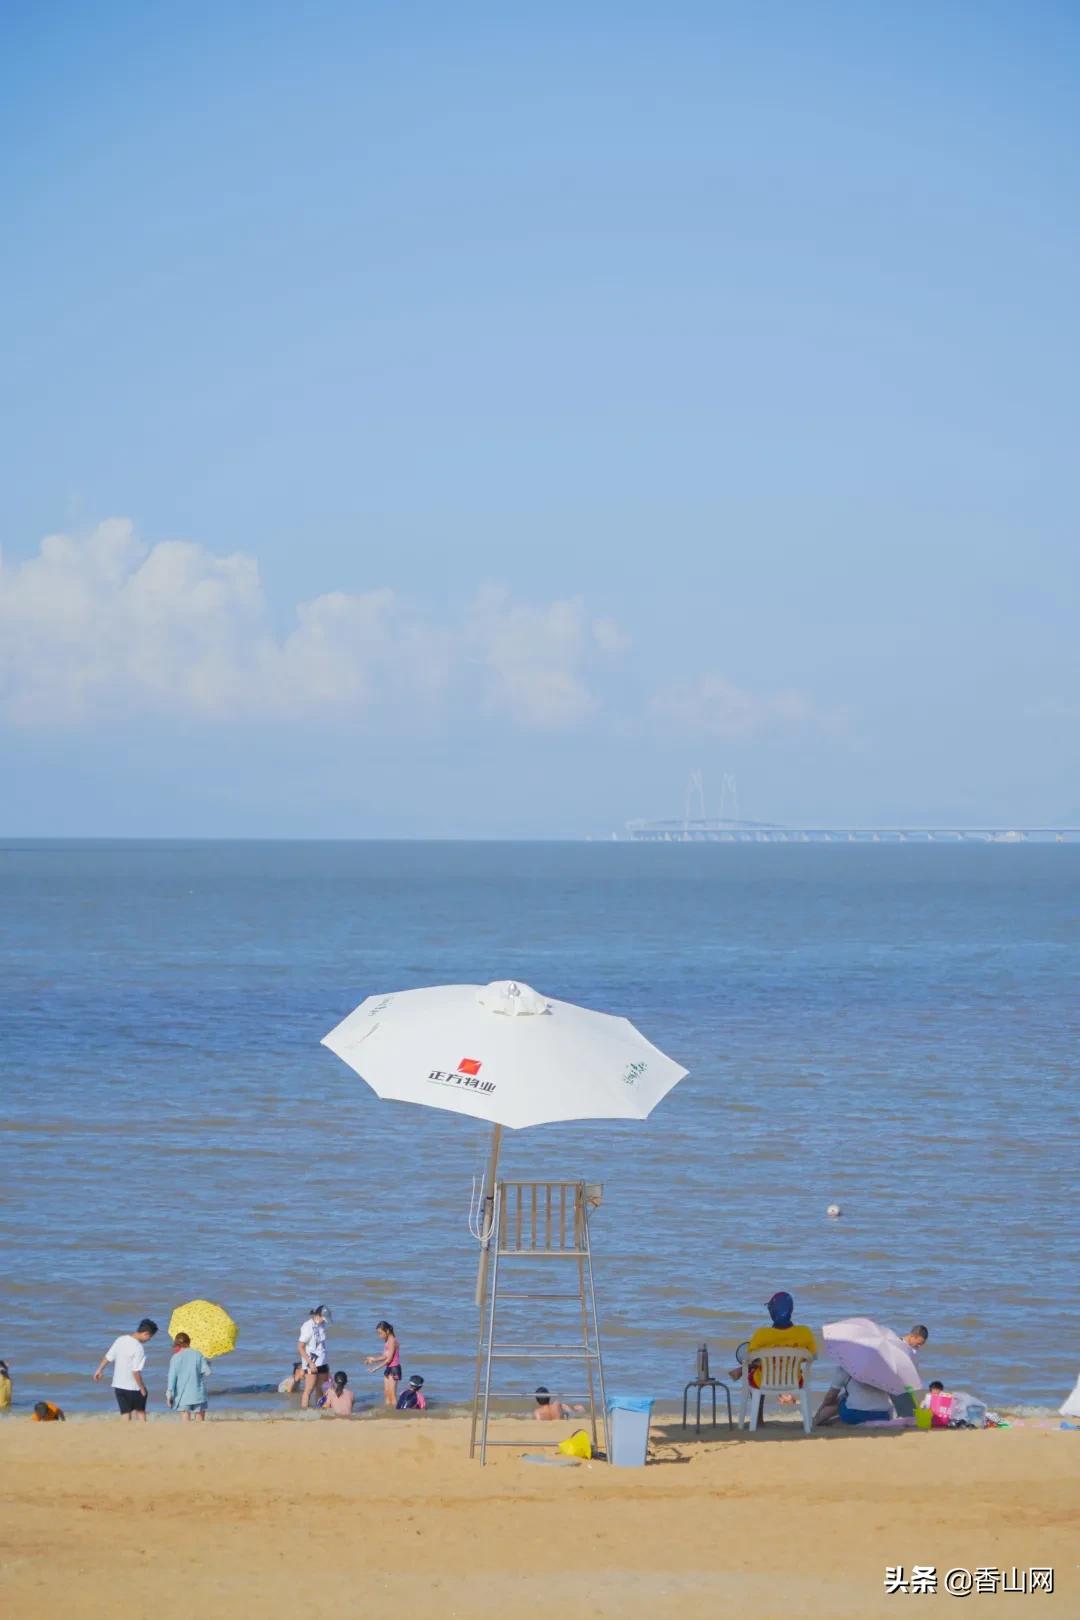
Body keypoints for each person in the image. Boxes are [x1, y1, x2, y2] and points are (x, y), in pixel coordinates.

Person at [729, 1293, 817, 1425]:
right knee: (759, 1369)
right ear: (791, 1310)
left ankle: (758, 1420)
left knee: (754, 1372)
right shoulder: (805, 1333)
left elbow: (750, 1358)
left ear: (772, 1312)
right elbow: (812, 1356)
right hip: (794, 1380)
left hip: (764, 1381)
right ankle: (807, 1423)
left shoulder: (761, 1334)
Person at [93, 1318, 158, 1420]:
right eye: (150, 1337)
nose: (149, 1340)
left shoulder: (120, 1339)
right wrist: (142, 1388)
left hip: (118, 1386)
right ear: (146, 1333)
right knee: (140, 1412)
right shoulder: (138, 1348)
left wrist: (99, 1369)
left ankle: (126, 1434)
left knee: (125, 1414)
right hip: (133, 1387)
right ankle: (143, 1434)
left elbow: (108, 1357)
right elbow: (135, 1371)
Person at [166, 1332, 212, 1422]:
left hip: (182, 1395)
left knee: (185, 1424)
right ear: (189, 1342)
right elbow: (207, 1373)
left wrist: (169, 1396)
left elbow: (171, 1379)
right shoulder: (198, 1354)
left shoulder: (175, 1358)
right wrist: (207, 1364)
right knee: (200, 1422)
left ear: (177, 1343)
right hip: (198, 1393)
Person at [297, 1306, 331, 1410]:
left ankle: (319, 1410)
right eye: (323, 1319)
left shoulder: (322, 1324)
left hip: (323, 1361)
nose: (324, 1322)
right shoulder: (307, 1326)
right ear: (318, 1316)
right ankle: (304, 1411)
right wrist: (310, 1363)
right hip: (311, 1362)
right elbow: (300, 1347)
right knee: (309, 1389)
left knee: (321, 1389)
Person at [366, 1320, 401, 1408]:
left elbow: (389, 1360)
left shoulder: (392, 1340)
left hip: (394, 1369)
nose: (379, 1336)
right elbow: (385, 1356)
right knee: (386, 1392)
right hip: (388, 1368)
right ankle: (388, 1411)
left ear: (387, 1331)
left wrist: (375, 1368)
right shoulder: (387, 1340)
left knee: (392, 1395)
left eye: (381, 1333)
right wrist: (374, 1359)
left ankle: (396, 1413)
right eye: (378, 1333)